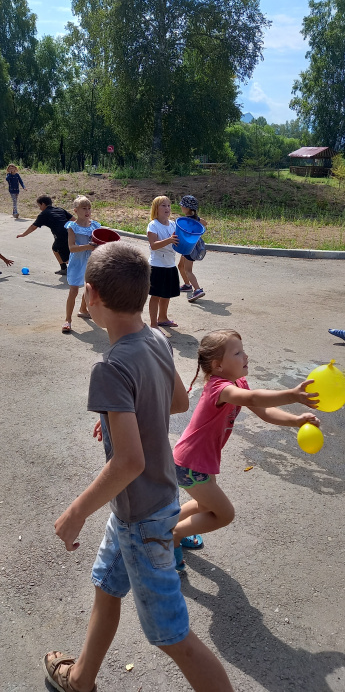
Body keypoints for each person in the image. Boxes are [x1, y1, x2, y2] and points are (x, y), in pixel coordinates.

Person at [43, 242, 235, 692]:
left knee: (174, 638)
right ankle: (80, 680)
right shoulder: (156, 337)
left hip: (141, 519)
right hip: (154, 501)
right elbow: (177, 401)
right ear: (145, 290)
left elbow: (129, 462)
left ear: (90, 295)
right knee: (106, 588)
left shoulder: (109, 367)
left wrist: (75, 513)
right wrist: (118, 420)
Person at [172, 328, 320, 571]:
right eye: (238, 353)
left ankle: (164, 530)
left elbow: (265, 411)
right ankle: (173, 535)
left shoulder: (237, 382)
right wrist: (293, 395)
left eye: (243, 350)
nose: (246, 356)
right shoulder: (220, 388)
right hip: (190, 463)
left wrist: (296, 421)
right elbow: (252, 399)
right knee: (224, 514)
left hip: (199, 461)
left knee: (205, 506)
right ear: (218, 366)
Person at [62, 196, 101, 334]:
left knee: (89, 288)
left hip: (91, 260)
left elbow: (100, 243)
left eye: (89, 208)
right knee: (74, 290)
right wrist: (88, 246)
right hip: (77, 261)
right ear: (76, 210)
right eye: (84, 208)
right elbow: (72, 248)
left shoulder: (95, 225)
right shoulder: (72, 226)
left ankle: (83, 310)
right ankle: (68, 320)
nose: (87, 211)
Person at [16, 195, 75, 274]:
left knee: (66, 258)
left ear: (43, 204)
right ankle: (64, 268)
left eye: (39, 206)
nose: (39, 208)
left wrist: (23, 234)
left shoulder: (44, 214)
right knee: (56, 249)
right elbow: (74, 220)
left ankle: (72, 269)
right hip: (71, 233)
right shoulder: (59, 209)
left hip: (61, 235)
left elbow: (33, 227)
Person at [147, 195, 180, 328]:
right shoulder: (153, 225)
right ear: (156, 208)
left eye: (169, 205)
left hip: (170, 265)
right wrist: (169, 240)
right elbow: (153, 245)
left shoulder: (173, 224)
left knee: (167, 295)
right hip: (157, 266)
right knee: (155, 296)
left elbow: (178, 242)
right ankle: (154, 324)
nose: (167, 208)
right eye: (163, 205)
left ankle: (163, 318)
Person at [178, 194, 207, 303]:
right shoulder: (196, 219)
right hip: (192, 246)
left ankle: (197, 289)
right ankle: (187, 285)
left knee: (188, 270)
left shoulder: (185, 220)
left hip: (188, 248)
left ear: (186, 208)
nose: (181, 207)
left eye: (182, 206)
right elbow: (205, 223)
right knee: (180, 266)